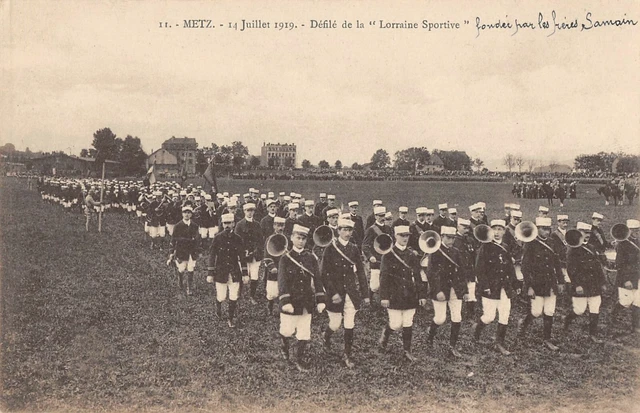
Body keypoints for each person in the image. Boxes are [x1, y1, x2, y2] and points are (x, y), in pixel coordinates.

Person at [320, 218, 369, 368]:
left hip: (350, 292)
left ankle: (347, 355)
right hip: (335, 293)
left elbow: (360, 271)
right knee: (335, 324)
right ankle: (326, 335)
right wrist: (332, 292)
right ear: (338, 230)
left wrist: (365, 294)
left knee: (349, 323)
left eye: (350, 230)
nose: (347, 233)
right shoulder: (330, 248)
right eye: (344, 230)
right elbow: (324, 273)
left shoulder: (354, 249)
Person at [278, 224, 326, 372]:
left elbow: (317, 279)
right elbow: (282, 281)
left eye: (303, 239)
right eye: (298, 238)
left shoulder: (310, 257)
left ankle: (299, 359)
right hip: (291, 302)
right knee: (287, 330)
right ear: (292, 238)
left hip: (306, 301)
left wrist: (321, 299)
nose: (300, 241)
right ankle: (284, 345)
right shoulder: (285, 259)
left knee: (304, 333)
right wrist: (285, 301)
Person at [378, 225, 427, 362]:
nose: (405, 238)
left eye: (407, 236)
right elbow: (384, 277)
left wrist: (422, 294)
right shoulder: (388, 255)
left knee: (408, 322)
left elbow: (418, 276)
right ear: (395, 236)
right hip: (394, 294)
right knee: (396, 324)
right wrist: (384, 296)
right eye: (402, 235)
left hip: (409, 294)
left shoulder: (412, 255)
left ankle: (407, 351)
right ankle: (386, 332)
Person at [517, 217, 565, 351]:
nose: (547, 232)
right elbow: (525, 268)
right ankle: (524, 324)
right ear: (537, 229)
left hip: (550, 282)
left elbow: (557, 264)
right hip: (536, 283)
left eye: (548, 229)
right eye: (544, 229)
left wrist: (561, 281)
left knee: (549, 311)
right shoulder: (530, 244)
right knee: (536, 312)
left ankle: (547, 339)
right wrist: (529, 286)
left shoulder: (552, 243)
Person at [474, 219, 521, 356]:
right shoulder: (485, 247)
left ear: (504, 231)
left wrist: (515, 284)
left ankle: (499, 343)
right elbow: (479, 269)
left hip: (504, 287)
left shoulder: (505, 247)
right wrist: (485, 286)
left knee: (505, 315)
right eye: (494, 229)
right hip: (490, 288)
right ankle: (477, 330)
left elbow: (510, 268)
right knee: (489, 316)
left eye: (500, 229)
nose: (497, 232)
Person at [425, 226, 467, 358]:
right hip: (441, 290)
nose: (451, 240)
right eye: (448, 237)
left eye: (453, 238)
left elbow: (462, 272)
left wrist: (464, 290)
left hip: (455, 289)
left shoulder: (456, 252)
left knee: (457, 317)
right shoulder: (435, 252)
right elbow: (431, 274)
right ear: (442, 237)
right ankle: (430, 335)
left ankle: (452, 346)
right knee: (440, 318)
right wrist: (437, 290)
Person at [564, 222, 607, 343]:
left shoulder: (592, 247)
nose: (587, 235)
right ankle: (567, 321)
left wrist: (603, 282)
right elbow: (571, 269)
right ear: (578, 233)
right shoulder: (572, 249)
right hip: (581, 285)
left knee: (595, 308)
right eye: (584, 232)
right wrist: (577, 284)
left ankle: (592, 334)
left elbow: (597, 267)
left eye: (588, 232)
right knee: (579, 310)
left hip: (594, 284)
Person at [208, 213, 246, 328]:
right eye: (225, 223)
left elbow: (242, 257)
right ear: (222, 224)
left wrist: (245, 273)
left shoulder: (238, 239)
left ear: (233, 224)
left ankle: (230, 318)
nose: (227, 226)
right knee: (221, 296)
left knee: (234, 296)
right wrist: (210, 272)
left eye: (229, 223)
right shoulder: (217, 238)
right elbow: (212, 256)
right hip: (221, 272)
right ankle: (218, 308)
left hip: (234, 272)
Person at [609, 219, 640, 333]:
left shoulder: (638, 241)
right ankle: (614, 313)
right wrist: (626, 280)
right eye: (633, 230)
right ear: (628, 230)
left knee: (638, 301)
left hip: (638, 276)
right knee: (626, 302)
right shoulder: (623, 244)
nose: (636, 232)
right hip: (626, 277)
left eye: (637, 230)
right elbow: (620, 265)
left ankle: (636, 326)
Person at [235, 203, 264, 304]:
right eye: (248, 210)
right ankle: (239, 293)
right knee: (242, 274)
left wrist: (257, 250)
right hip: (244, 255)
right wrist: (243, 251)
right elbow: (237, 240)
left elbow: (261, 240)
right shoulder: (239, 225)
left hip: (255, 255)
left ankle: (252, 296)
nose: (250, 212)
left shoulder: (257, 224)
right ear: (244, 211)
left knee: (255, 276)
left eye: (252, 210)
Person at [362, 206, 393, 301]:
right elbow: (365, 245)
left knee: (387, 281)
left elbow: (392, 242)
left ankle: (385, 301)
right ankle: (369, 300)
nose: (382, 217)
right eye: (380, 216)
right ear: (375, 216)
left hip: (387, 258)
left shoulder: (388, 228)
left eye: (383, 215)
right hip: (376, 259)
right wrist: (370, 256)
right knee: (375, 285)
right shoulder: (371, 230)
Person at [169, 204, 201, 296]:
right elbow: (174, 239)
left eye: (189, 213)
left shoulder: (194, 225)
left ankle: (189, 288)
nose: (187, 214)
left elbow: (197, 238)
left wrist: (197, 248)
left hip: (192, 251)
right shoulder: (178, 226)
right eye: (185, 212)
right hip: (181, 251)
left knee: (191, 269)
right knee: (182, 268)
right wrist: (171, 252)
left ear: (191, 214)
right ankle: (180, 282)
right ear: (182, 214)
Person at [453, 218, 477, 321]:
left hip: (469, 269)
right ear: (458, 227)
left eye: (467, 228)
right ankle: (455, 313)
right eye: (464, 227)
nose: (466, 230)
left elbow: (473, 254)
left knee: (471, 290)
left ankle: (470, 314)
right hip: (457, 270)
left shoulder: (470, 240)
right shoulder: (454, 240)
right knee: (457, 291)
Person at [263, 217, 287, 316]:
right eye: (278, 225)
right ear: (274, 226)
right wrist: (271, 266)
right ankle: (270, 305)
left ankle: (283, 307)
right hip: (274, 268)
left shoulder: (287, 239)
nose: (280, 228)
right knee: (272, 291)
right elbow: (266, 255)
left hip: (284, 267)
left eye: (282, 225)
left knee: (285, 288)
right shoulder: (270, 239)